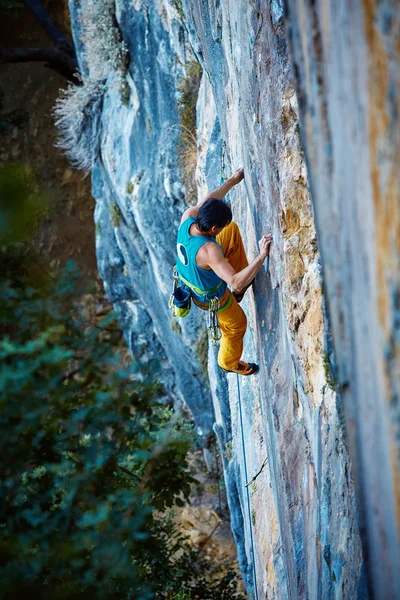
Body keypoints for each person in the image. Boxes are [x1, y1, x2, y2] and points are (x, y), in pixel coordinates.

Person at [175, 167, 272, 376]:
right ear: (212, 230)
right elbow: (235, 281)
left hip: (193, 276)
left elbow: (211, 198)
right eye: (221, 226)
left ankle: (239, 289)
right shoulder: (209, 250)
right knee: (237, 325)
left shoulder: (189, 217)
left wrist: (233, 180)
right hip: (212, 298)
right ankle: (229, 362)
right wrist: (261, 255)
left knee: (232, 231)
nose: (222, 228)